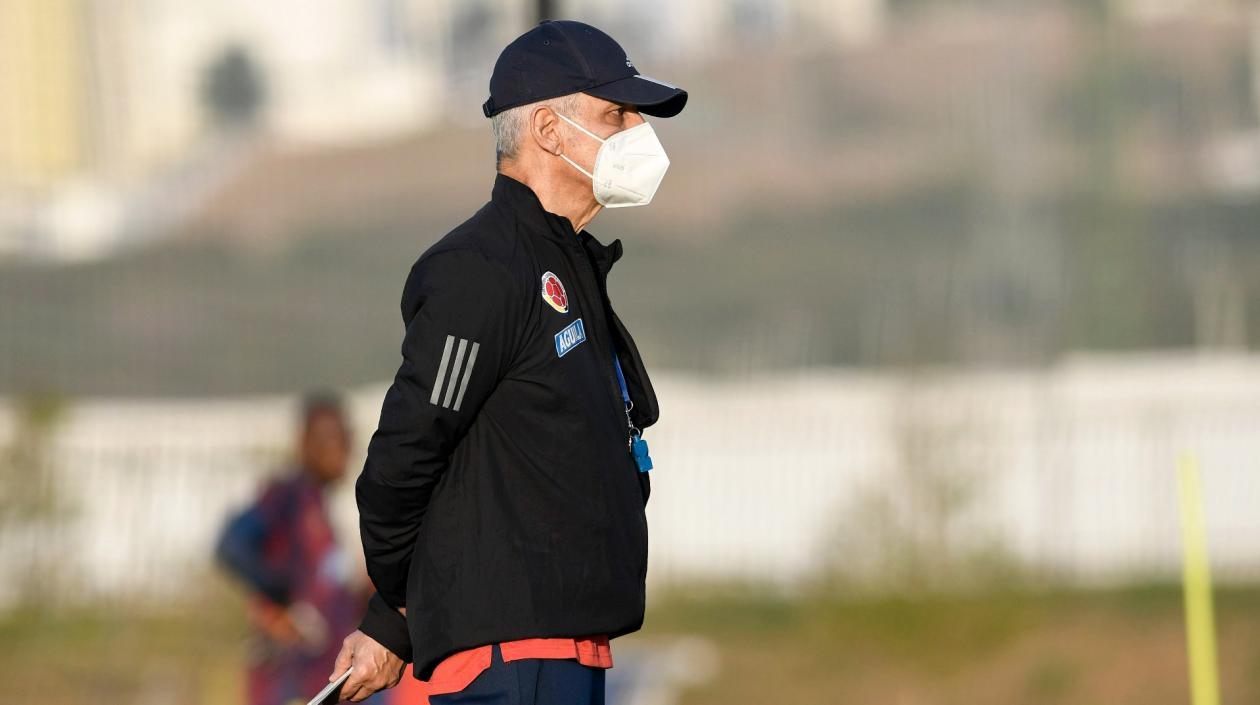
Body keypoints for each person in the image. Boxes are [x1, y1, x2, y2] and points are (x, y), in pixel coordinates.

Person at [330, 19, 688, 705]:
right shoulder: (481, 269)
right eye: (617, 114)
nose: (639, 129)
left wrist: (393, 621)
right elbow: (404, 460)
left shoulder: (565, 260)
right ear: (550, 131)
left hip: (567, 649)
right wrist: (401, 605)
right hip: (513, 663)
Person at [216, 392, 383, 705]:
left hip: (326, 673)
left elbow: (327, 585)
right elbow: (232, 546)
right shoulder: (287, 496)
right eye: (330, 439)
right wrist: (285, 598)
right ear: (305, 444)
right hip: (291, 677)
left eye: (345, 438)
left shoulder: (321, 506)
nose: (342, 449)